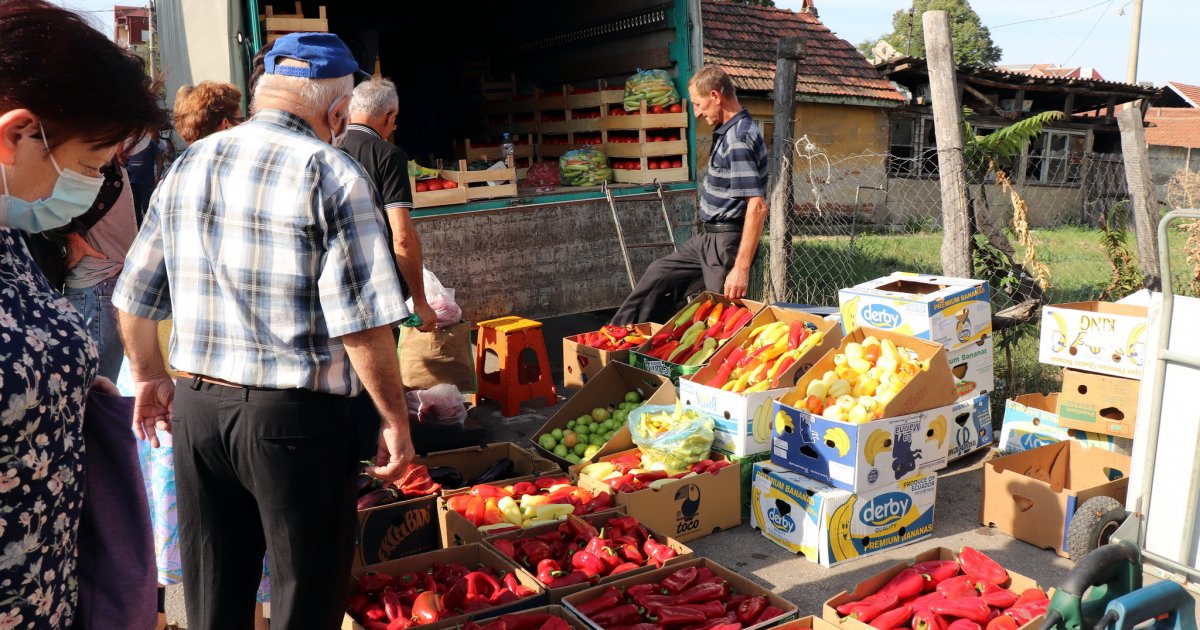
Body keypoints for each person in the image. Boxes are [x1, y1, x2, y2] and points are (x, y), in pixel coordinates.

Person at [114, 32, 414, 629]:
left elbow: (135, 293)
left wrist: (149, 375)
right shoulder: (334, 173)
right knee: (305, 592)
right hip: (293, 423)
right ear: (336, 112)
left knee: (215, 589)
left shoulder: (190, 162)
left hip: (198, 412)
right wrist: (395, 418)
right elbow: (362, 324)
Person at [0, 0, 165, 626]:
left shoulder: (8, 233)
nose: (94, 185)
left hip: (53, 591)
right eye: (91, 165)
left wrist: (60, 388)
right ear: (16, 135)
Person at [612, 65, 768, 325]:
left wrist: (740, 268)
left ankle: (717, 362)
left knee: (720, 318)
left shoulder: (738, 138)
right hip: (709, 238)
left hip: (726, 242)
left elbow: (757, 206)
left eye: (698, 104)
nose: (696, 112)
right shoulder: (728, 130)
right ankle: (617, 339)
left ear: (716, 96)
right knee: (659, 274)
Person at [339, 77, 437, 335]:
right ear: (389, 115)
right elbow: (402, 236)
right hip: (375, 286)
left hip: (333, 284)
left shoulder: (327, 147)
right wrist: (420, 302)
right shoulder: (387, 155)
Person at [173, 82, 243, 144]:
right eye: (241, 119)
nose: (245, 124)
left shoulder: (185, 158)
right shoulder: (246, 156)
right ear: (225, 126)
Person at [125, 130, 167, 224]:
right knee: (135, 209)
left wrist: (158, 176)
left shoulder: (150, 143)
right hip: (131, 181)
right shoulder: (128, 144)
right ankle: (138, 230)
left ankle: (151, 229)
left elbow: (160, 159)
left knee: (147, 207)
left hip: (146, 182)